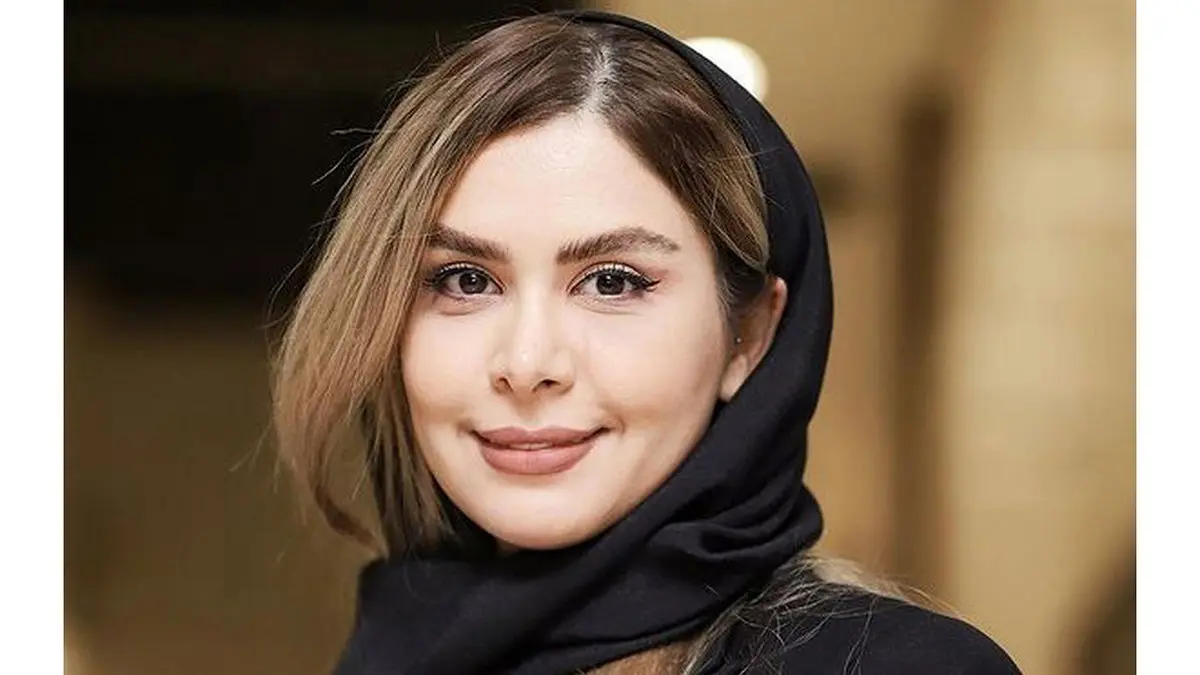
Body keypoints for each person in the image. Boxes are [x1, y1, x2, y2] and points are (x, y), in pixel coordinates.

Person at [271, 10, 1023, 675]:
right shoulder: (391, 652)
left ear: (750, 336)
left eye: (612, 282)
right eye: (465, 280)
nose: (527, 364)